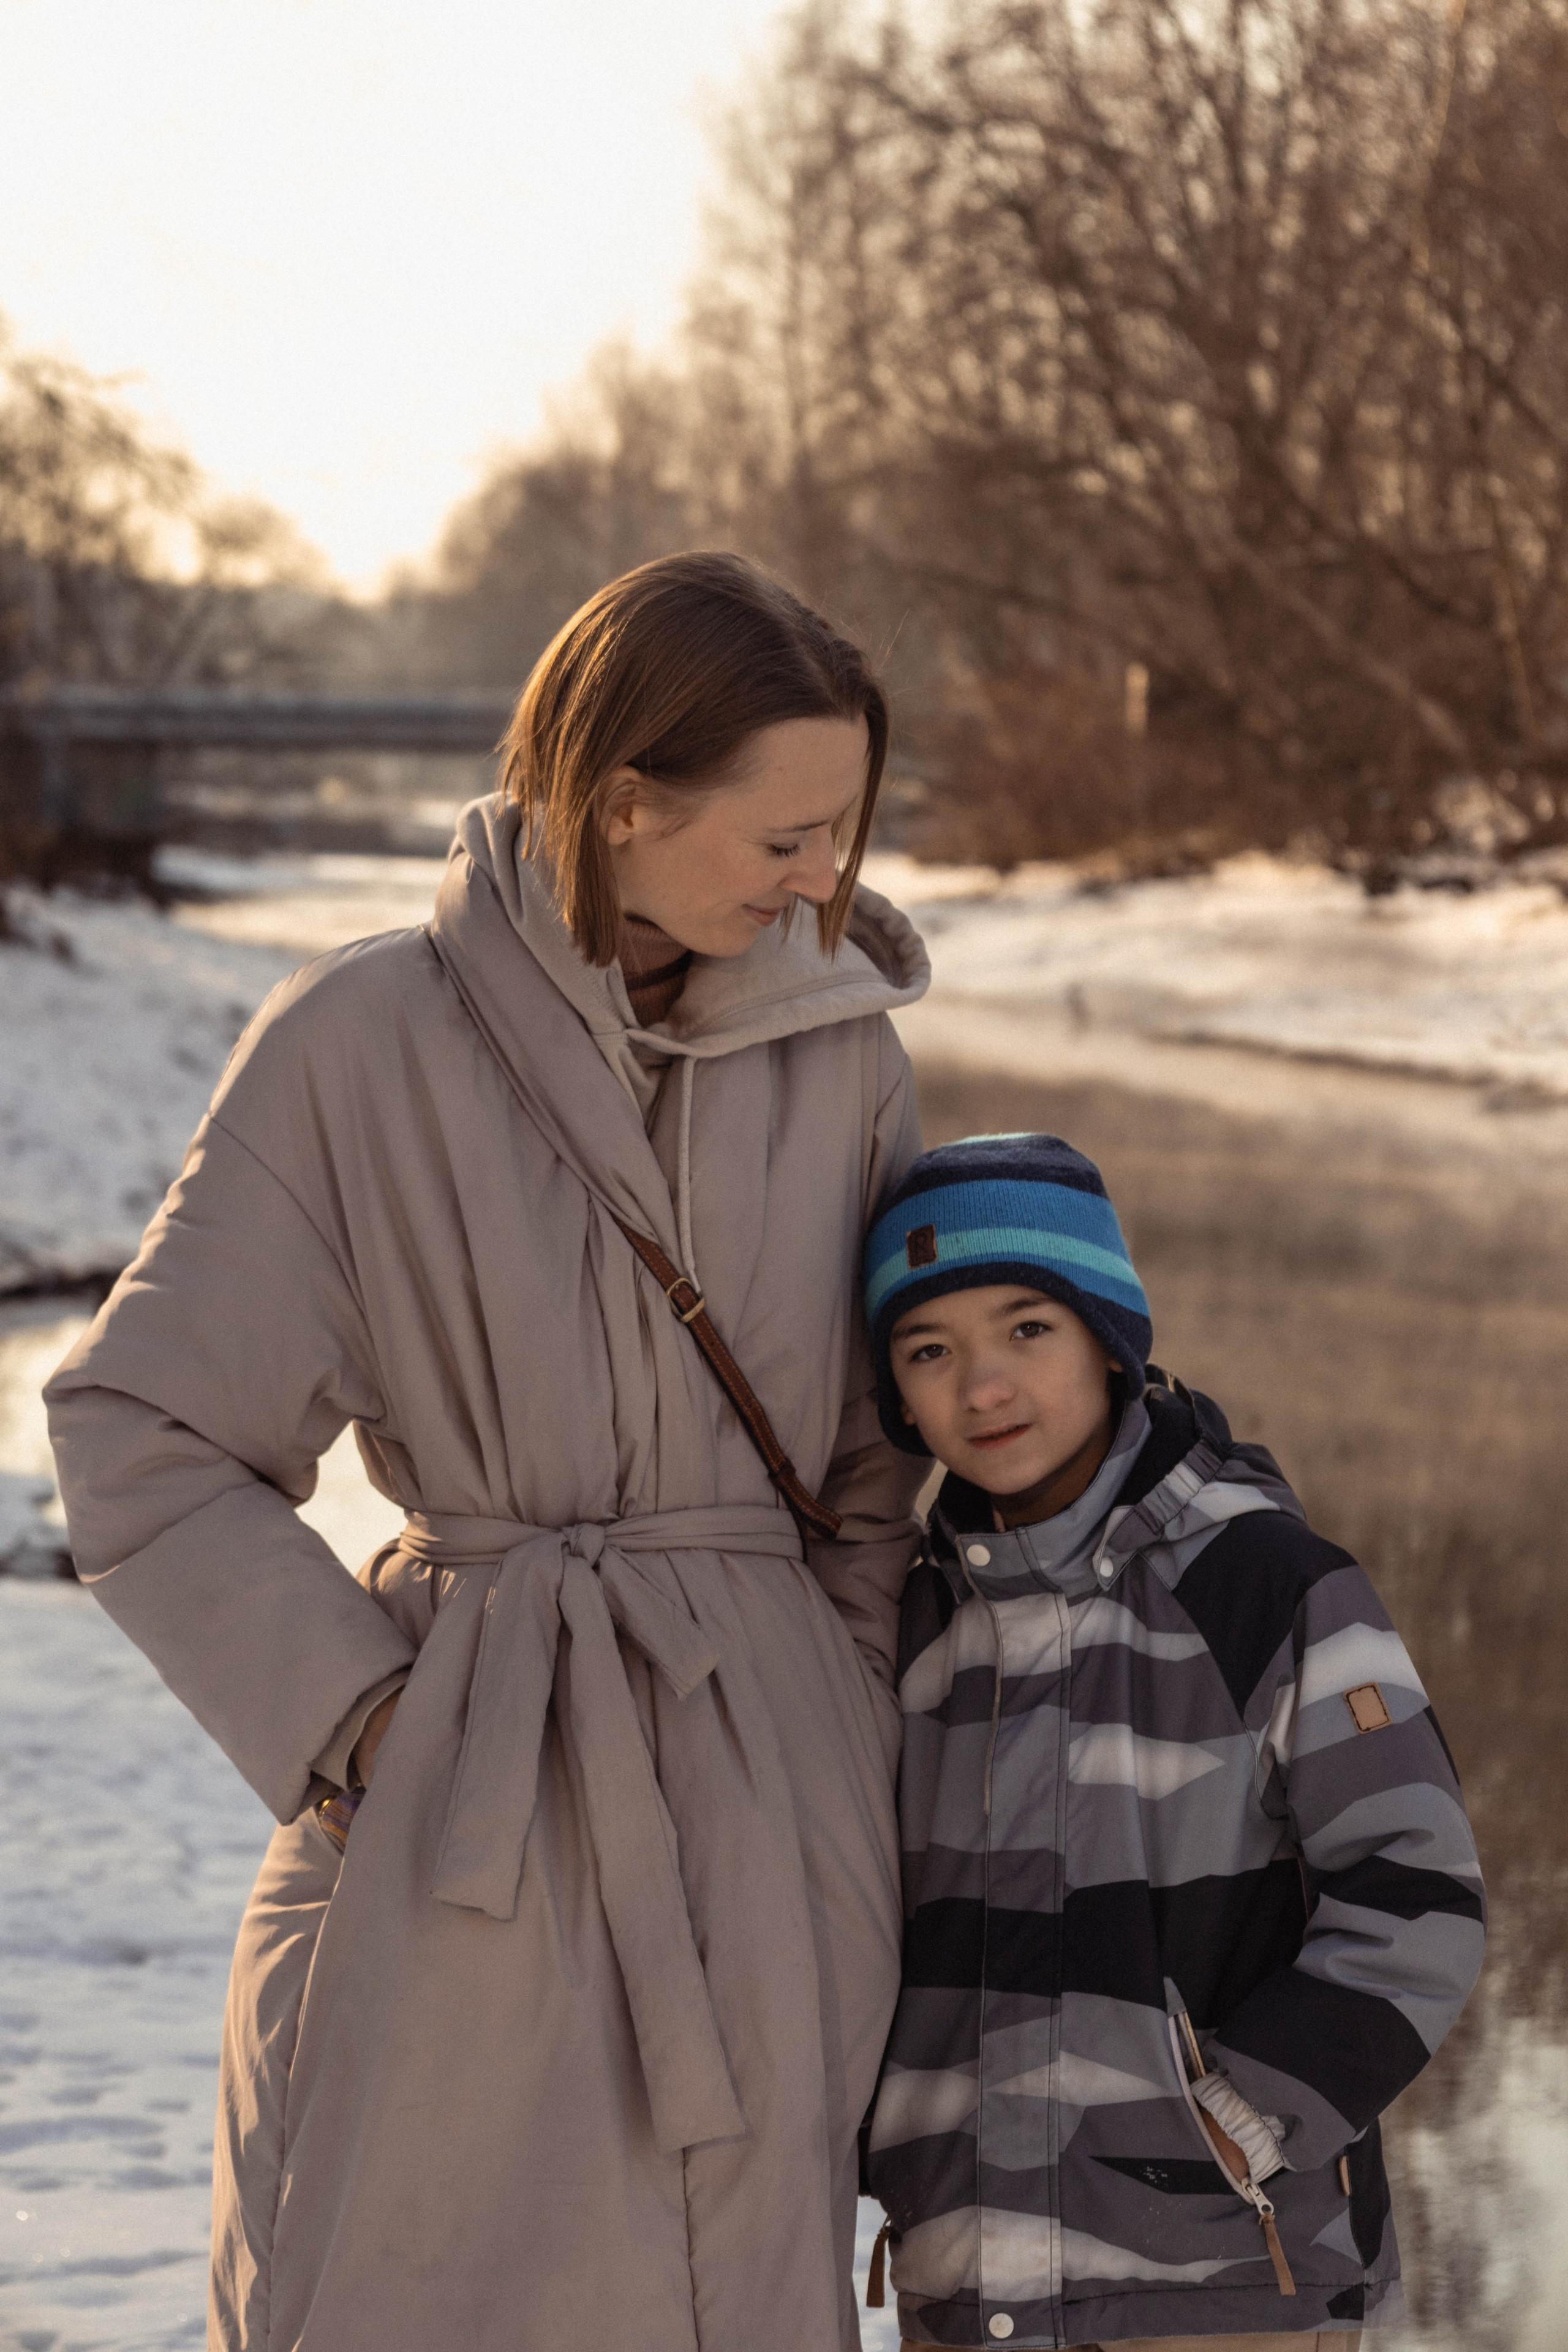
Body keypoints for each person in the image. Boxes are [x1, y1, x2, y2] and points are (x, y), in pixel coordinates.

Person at [45, 552, 933, 2351]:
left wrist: (831, 1707)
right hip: (462, 1808)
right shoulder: (357, 1044)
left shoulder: (844, 1055)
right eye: (788, 835)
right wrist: (361, 1723)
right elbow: (139, 1429)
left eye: (844, 829)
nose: (826, 878)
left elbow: (868, 1464)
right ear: (623, 801)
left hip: (767, 1833)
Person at [859, 1133, 1485, 2351]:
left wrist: (1239, 2119)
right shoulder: (912, 1627)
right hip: (965, 2285)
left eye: (1025, 1330)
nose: (981, 1388)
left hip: (1224, 2280)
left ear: (1105, 1336)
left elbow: (1421, 1899)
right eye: (927, 1353)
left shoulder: (1259, 1583)